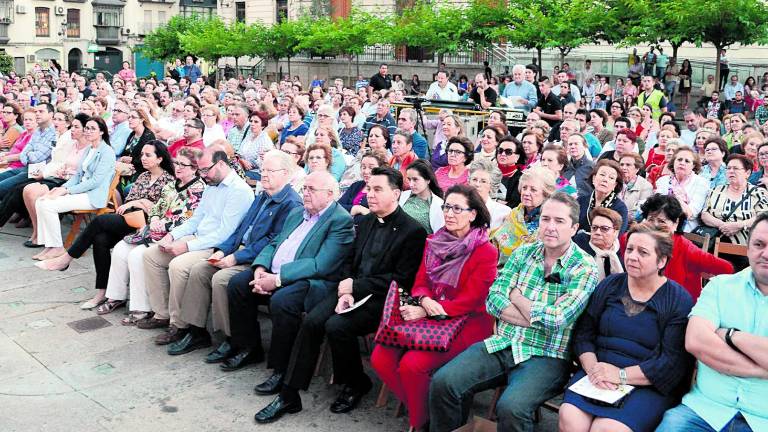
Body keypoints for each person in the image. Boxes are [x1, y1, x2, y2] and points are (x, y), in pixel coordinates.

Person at [252, 166, 427, 423]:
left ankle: (356, 382)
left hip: (383, 300)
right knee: (312, 320)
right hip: (348, 289)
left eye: (378, 189)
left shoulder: (413, 231)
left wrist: (354, 288)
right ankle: (290, 395)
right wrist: (346, 286)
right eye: (369, 188)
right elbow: (349, 261)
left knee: (336, 326)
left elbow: (401, 280)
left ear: (397, 193)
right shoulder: (365, 221)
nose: (370, 194)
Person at [430, 192, 599, 432]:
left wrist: (517, 297)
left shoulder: (584, 267)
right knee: (444, 382)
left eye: (559, 221)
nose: (550, 227)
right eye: (545, 219)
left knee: (512, 407)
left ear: (574, 228)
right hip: (503, 342)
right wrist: (537, 315)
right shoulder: (523, 253)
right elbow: (493, 300)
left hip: (547, 355)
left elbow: (558, 319)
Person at [371, 184, 498, 432]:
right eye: (446, 207)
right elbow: (420, 282)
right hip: (430, 315)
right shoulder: (434, 241)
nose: (449, 213)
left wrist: (429, 308)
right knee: (380, 357)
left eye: (457, 208)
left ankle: (421, 423)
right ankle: (428, 412)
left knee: (412, 365)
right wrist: (425, 302)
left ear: (473, 214)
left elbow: (471, 300)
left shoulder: (486, 251)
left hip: (469, 322)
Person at [165, 150, 304, 359]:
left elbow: (273, 242)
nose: (264, 174)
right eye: (263, 169)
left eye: (270, 170)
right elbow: (241, 230)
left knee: (222, 279)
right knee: (199, 270)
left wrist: (235, 258)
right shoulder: (264, 195)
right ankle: (196, 330)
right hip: (239, 250)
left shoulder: (291, 204)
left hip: (259, 260)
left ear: (285, 173)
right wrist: (223, 250)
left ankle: (231, 338)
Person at [560, 223, 694, 432]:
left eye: (643, 252)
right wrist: (594, 369)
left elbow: (670, 363)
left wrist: (620, 375)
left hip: (647, 384)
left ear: (662, 261)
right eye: (629, 249)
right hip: (597, 372)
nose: (632, 256)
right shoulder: (610, 285)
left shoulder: (677, 300)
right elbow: (584, 333)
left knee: (608, 429)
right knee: (570, 418)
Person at [221, 171, 353, 373]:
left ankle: (282, 369)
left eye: (312, 189)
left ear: (330, 194)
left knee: (282, 301)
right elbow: (275, 242)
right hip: (273, 272)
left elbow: (321, 264)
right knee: (238, 284)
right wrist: (260, 268)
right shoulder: (297, 213)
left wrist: (278, 279)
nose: (306, 193)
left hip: (310, 281)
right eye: (304, 188)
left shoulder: (340, 221)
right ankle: (248, 348)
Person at [656, 213, 768, 432]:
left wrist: (730, 335)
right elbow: (696, 341)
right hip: (704, 410)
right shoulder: (720, 287)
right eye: (759, 244)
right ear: (748, 248)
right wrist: (761, 369)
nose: (766, 253)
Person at [36, 140, 175, 308]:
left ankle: (66, 258)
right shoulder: (143, 176)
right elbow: (130, 201)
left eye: (148, 155)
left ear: (160, 159)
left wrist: (142, 202)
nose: (143, 158)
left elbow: (161, 209)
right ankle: (103, 292)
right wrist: (140, 202)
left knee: (100, 220)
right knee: (100, 239)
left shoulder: (168, 180)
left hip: (146, 225)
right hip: (130, 218)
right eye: (142, 155)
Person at [139, 148, 253, 345]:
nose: (202, 175)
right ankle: (162, 313)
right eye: (200, 170)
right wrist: (171, 235)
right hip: (199, 237)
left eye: (205, 170)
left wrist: (187, 246)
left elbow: (225, 234)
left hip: (218, 246)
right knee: (151, 254)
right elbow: (195, 219)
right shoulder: (212, 183)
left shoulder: (240, 191)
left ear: (221, 165)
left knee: (179, 265)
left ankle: (180, 325)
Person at [103, 148, 206, 325]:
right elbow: (156, 208)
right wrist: (156, 218)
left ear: (195, 168)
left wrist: (163, 225)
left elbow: (188, 219)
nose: (178, 167)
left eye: (183, 164)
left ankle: (141, 308)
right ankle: (116, 296)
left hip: (176, 236)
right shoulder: (171, 184)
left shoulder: (199, 190)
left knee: (137, 256)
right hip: (155, 230)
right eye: (176, 163)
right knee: (120, 248)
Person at [32, 117, 116, 260]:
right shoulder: (89, 148)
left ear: (101, 132)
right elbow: (77, 175)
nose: (88, 131)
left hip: (92, 196)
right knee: (41, 200)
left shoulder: (107, 152)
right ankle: (49, 246)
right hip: (80, 191)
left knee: (48, 205)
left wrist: (67, 191)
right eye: (87, 128)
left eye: (92, 129)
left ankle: (57, 247)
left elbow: (95, 182)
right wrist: (61, 188)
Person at [635, 194, 733, 300]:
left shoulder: (686, 249)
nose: (655, 226)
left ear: (676, 223)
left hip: (678, 309)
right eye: (651, 219)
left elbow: (727, 268)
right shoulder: (640, 242)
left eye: (662, 221)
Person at [490, 166, 556, 267]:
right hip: (504, 269)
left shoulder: (550, 220)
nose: (526, 193)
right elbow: (497, 242)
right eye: (524, 188)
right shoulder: (514, 214)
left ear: (545, 194)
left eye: (533, 190)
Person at [701, 154, 768, 249]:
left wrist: (739, 225)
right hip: (713, 242)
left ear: (747, 173)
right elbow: (704, 214)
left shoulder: (758, 193)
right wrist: (723, 225)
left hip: (744, 246)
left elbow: (762, 218)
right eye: (728, 168)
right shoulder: (716, 190)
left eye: (735, 168)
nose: (731, 171)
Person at [0, 103, 55, 199]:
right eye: (36, 111)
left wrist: (26, 155)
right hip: (25, 166)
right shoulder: (38, 131)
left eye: (41, 111)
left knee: (2, 187)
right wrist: (27, 154)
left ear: (51, 114)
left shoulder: (53, 133)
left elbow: (35, 158)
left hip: (38, 171)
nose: (37, 113)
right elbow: (25, 153)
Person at [654, 146, 710, 232]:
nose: (682, 163)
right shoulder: (663, 181)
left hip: (687, 229)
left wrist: (674, 198)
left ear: (693, 165)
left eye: (687, 161)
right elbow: (656, 205)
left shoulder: (701, 183)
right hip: (659, 225)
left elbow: (691, 213)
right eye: (679, 160)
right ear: (673, 162)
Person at [578, 159, 629, 234]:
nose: (605, 179)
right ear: (594, 178)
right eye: (602, 175)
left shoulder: (620, 208)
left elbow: (617, 235)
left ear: (615, 185)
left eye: (611, 178)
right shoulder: (580, 201)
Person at [572, 208, 624, 281]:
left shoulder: (624, 251)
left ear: (615, 232)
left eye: (604, 228)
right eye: (594, 227)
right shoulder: (578, 244)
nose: (598, 232)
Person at [338, 151, 388, 224]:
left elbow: (375, 217)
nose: (366, 171)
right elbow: (337, 207)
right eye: (363, 167)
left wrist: (349, 210)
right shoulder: (356, 185)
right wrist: (357, 209)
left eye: (371, 167)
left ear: (381, 168)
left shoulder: (383, 190)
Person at [399, 159, 445, 234]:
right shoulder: (404, 196)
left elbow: (439, 235)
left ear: (428, 179)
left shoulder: (438, 205)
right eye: (409, 179)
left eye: (415, 179)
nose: (411, 184)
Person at [468, 158, 510, 230]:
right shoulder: (459, 207)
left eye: (483, 181)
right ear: (469, 182)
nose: (477, 184)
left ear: (492, 186)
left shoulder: (504, 212)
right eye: (474, 179)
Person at [619, 152, 653, 221]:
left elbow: (641, 213)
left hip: (632, 226)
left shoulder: (645, 186)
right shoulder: (615, 182)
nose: (623, 167)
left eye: (628, 165)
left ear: (637, 168)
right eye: (621, 164)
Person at [496, 135, 526, 208]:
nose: (503, 154)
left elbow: (513, 205)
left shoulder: (521, 178)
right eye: (500, 150)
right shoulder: (488, 172)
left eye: (508, 152)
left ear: (517, 157)